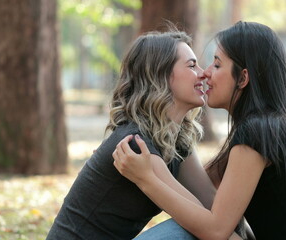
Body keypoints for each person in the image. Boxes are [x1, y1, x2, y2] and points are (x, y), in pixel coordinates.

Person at [113, 21, 286, 240]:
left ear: (243, 77)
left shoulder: (258, 132)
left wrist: (146, 179)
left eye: (216, 64)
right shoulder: (274, 125)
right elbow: (204, 192)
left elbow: (216, 230)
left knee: (180, 231)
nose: (205, 73)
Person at [46, 30, 222, 239]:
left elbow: (211, 203)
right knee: (186, 230)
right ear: (160, 75)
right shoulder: (135, 142)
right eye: (192, 65)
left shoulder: (175, 137)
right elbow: (206, 223)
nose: (203, 73)